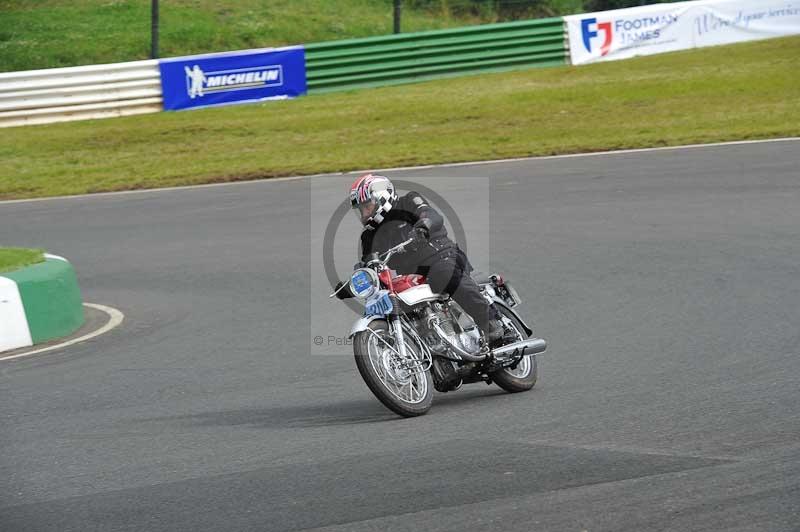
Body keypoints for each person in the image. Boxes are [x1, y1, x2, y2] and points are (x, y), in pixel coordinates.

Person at [341, 173, 515, 348]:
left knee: (443, 274)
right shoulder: (369, 236)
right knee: (390, 301)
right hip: (413, 276)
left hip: (442, 257)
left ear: (382, 197)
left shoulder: (409, 202)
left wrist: (424, 225)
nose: (364, 213)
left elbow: (431, 214)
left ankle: (493, 324)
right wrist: (354, 284)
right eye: (360, 210)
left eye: (367, 206)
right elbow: (369, 265)